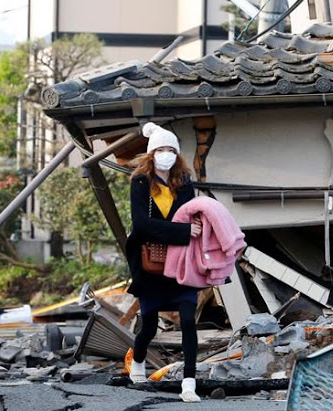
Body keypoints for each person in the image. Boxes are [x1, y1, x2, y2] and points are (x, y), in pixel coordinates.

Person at [125, 122, 203, 403]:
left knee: (187, 320)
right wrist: (181, 232)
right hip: (150, 265)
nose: (166, 154)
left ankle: (189, 383)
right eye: (161, 149)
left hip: (181, 262)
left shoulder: (183, 181)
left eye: (171, 150)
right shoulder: (140, 181)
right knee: (149, 324)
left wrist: (190, 231)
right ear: (151, 153)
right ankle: (138, 361)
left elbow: (193, 216)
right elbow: (142, 225)